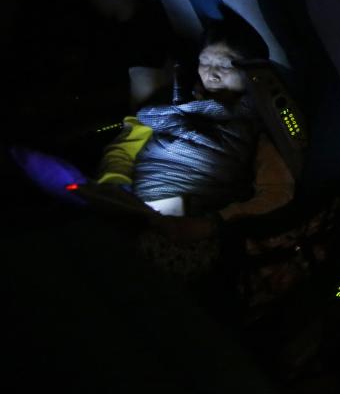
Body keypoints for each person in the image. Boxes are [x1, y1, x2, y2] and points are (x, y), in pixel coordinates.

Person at [93, 16, 295, 260]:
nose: (211, 74)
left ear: (251, 70)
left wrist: (211, 224)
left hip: (189, 225)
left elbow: (276, 192)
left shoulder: (257, 123)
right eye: (204, 62)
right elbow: (123, 149)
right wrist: (115, 185)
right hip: (134, 208)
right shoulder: (171, 102)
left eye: (226, 65)